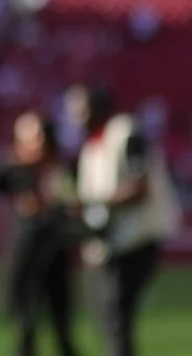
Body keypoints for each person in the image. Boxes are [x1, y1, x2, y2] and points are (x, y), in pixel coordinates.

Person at [68, 85, 182, 356]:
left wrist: (93, 202)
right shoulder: (94, 143)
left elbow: (138, 187)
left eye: (78, 107)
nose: (73, 114)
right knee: (107, 318)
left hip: (135, 240)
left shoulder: (125, 133)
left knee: (116, 317)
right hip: (110, 243)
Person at [0, 112, 80, 356]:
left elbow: (71, 208)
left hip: (54, 255)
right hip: (25, 255)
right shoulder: (18, 170)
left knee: (62, 330)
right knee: (25, 328)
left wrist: (51, 207)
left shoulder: (60, 170)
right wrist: (14, 161)